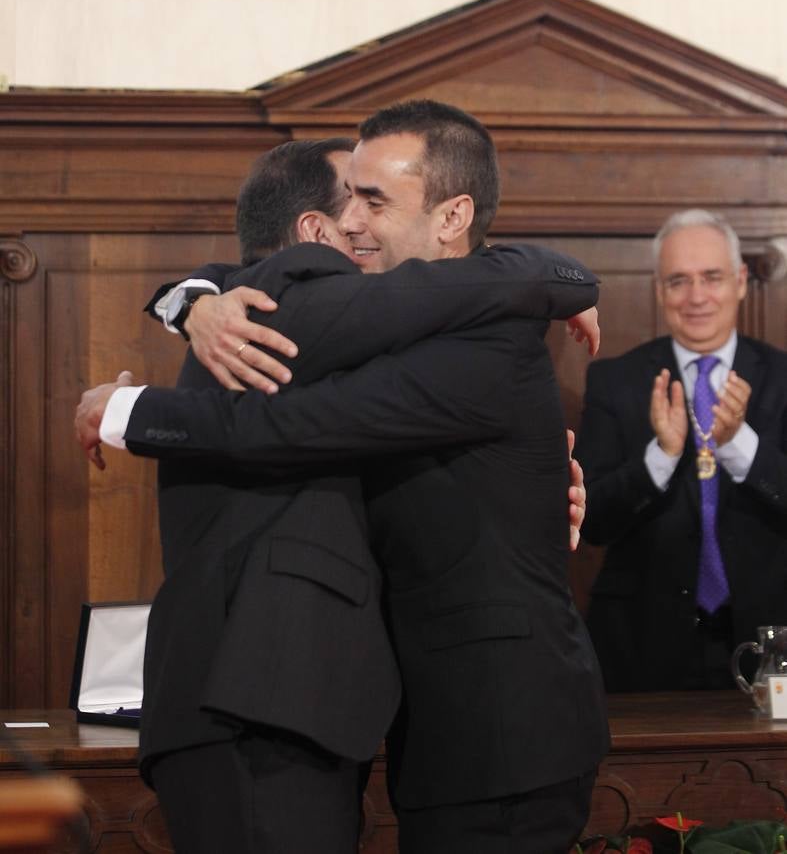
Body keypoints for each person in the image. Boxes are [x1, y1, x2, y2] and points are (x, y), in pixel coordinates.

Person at [76, 100, 609, 854]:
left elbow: (285, 428)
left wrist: (121, 410)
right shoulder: (390, 322)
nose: (348, 222)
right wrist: (190, 301)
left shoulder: (489, 339)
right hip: (422, 728)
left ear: (452, 216)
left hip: (504, 729)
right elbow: (262, 282)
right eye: (346, 198)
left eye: (374, 200)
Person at [576, 209, 787, 693]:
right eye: (678, 281)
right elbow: (592, 521)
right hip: (641, 645)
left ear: (738, 282)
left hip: (768, 640)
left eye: (711, 278)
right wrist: (662, 456)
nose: (696, 297)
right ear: (659, 290)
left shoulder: (782, 377)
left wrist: (739, 445)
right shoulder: (616, 380)